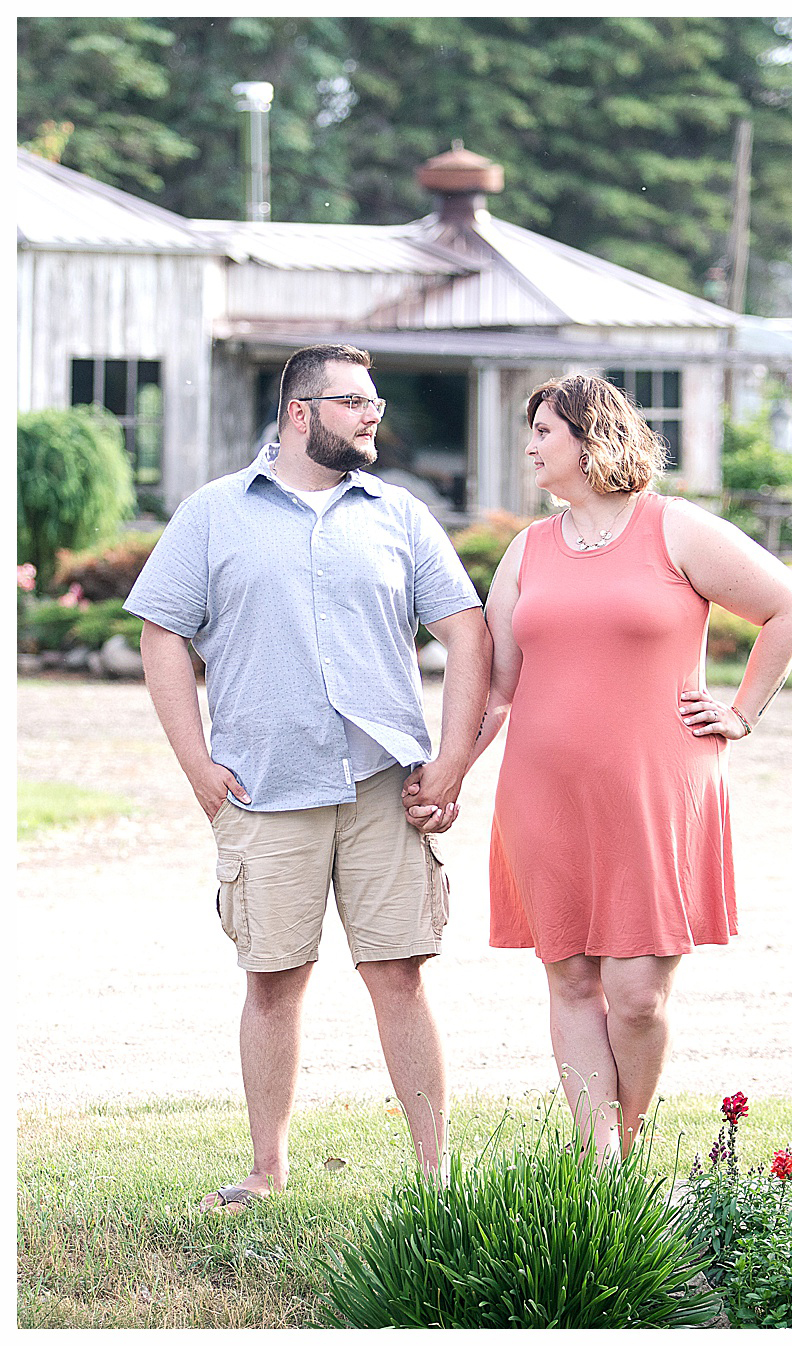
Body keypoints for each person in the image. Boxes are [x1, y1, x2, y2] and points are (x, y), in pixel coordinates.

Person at [126, 342, 492, 1211]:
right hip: (264, 788)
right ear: (301, 414)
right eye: (354, 402)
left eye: (374, 403)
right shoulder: (214, 514)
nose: (374, 416)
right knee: (273, 980)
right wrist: (198, 769)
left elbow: (468, 633)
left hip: (382, 788)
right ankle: (265, 1168)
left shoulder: (399, 516)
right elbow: (161, 635)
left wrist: (448, 763)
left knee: (399, 973)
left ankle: (437, 1174)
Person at [449, 372, 792, 1157]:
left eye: (545, 430)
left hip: (658, 791)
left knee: (637, 996)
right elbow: (498, 692)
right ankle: (602, 1168)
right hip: (543, 796)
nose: (531, 445)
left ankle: (631, 1142)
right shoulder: (526, 551)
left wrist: (743, 712)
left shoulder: (674, 530)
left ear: (591, 438)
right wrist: (446, 779)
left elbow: (789, 607)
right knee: (573, 982)